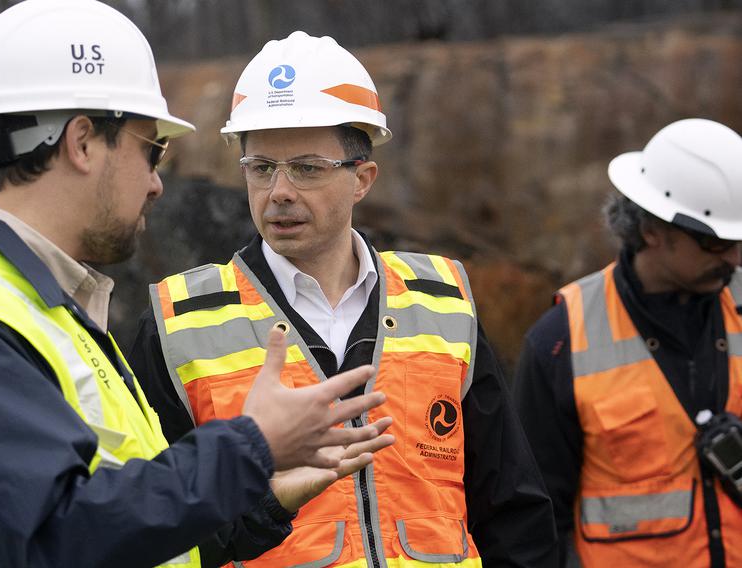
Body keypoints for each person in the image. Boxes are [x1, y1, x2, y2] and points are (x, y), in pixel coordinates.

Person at [0, 3, 395, 567]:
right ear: (83, 142)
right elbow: (54, 540)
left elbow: (116, 529)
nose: (158, 183)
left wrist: (257, 505)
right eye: (150, 149)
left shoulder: (44, 312)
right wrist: (249, 447)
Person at [130, 31, 557, 567]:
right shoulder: (179, 323)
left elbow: (513, 511)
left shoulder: (444, 302)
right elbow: (151, 527)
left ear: (363, 179)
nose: (279, 191)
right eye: (261, 168)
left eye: (307, 168)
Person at [513, 118, 742, 567]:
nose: (735, 259)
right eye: (714, 244)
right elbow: (533, 520)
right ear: (654, 231)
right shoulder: (561, 341)